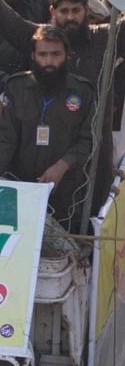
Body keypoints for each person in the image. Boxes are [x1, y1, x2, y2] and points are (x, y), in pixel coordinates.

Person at [0, 26, 95, 232]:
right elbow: (5, 138)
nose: (49, 62)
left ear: (67, 55)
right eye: (42, 55)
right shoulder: (16, 88)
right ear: (33, 56)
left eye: (55, 54)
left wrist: (63, 164)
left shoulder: (82, 91)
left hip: (65, 195)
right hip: (20, 190)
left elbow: (89, 139)